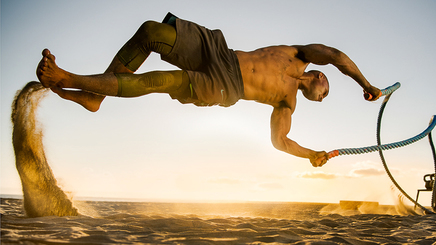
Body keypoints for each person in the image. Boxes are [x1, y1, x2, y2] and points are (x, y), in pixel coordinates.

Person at [36, 13, 381, 168]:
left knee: (154, 81)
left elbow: (280, 141)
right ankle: (96, 96)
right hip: (220, 52)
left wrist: (310, 154)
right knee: (151, 30)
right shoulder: (299, 55)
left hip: (223, 87)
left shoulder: (286, 103)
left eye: (324, 99)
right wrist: (365, 85)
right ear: (321, 76)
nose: (323, 95)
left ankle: (71, 79)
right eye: (327, 90)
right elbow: (337, 56)